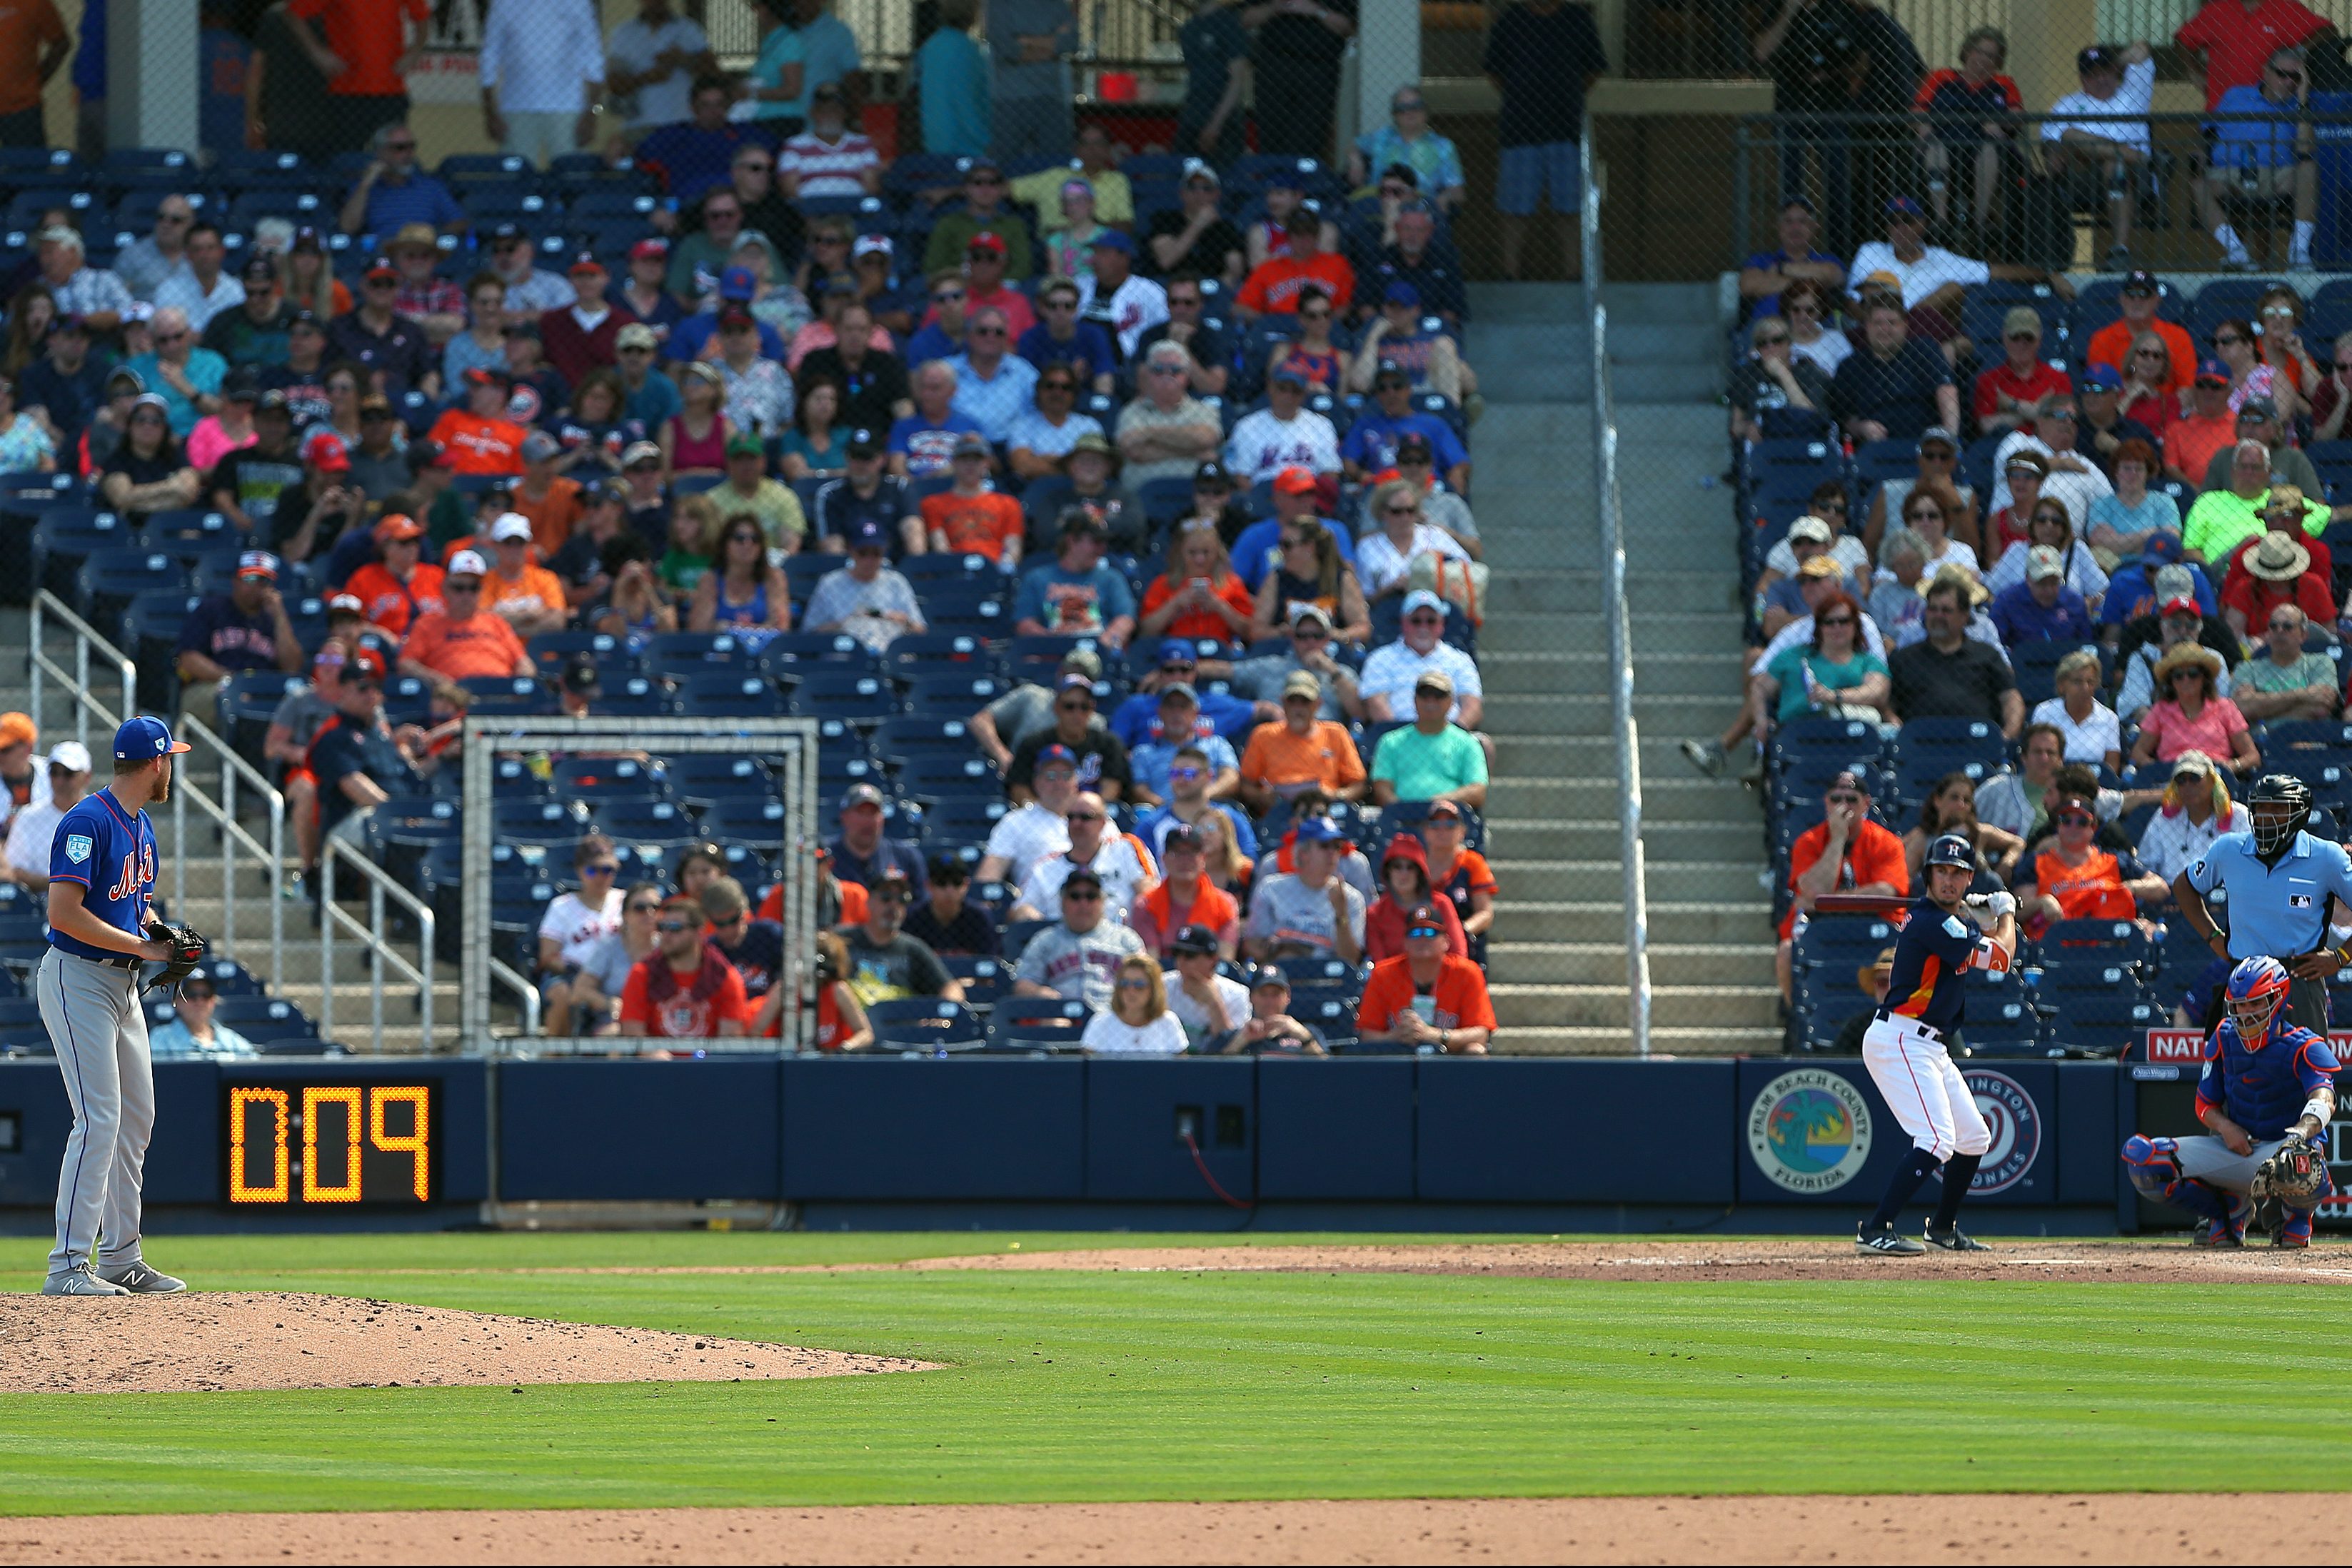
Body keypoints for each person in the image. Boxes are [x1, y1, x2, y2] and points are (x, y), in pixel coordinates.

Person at [34, 715, 203, 1295]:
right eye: (171, 757)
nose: (172, 767)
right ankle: (67, 1265)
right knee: (99, 1119)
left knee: (136, 1119)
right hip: (76, 978)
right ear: (156, 762)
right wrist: (141, 944)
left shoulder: (142, 825)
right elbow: (62, 912)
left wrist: (163, 932)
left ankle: (120, 1257)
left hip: (123, 985)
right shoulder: (87, 820)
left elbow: (137, 907)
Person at [1847, 835, 2014, 1255]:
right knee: (1938, 1140)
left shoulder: (1948, 921)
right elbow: (2000, 958)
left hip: (1930, 1044)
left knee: (1974, 1136)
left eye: (1958, 874)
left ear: (1969, 878)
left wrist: (1978, 916)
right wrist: (2006, 910)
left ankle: (1942, 1228)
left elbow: (1973, 938)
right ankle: (1876, 1228)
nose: (1949, 880)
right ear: (1929, 876)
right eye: (1942, 871)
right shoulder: (1931, 922)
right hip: (1901, 1036)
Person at [1777, 768, 1909, 1004]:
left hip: (1876, 931)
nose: (1844, 806)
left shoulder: (1888, 843)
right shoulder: (1808, 842)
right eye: (1836, 799)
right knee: (1787, 952)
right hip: (1823, 933)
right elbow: (1815, 890)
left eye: (1851, 799)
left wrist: (1827, 901)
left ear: (1866, 803)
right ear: (1826, 802)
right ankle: (1800, 1022)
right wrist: (1838, 838)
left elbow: (1885, 893)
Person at [2199, 45, 2319, 268]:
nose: (2288, 82)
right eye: (2282, 74)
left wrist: (2303, 100)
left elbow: (2306, 148)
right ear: (2266, 71)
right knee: (2198, 179)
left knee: (2308, 169)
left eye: (2295, 77)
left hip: (2276, 178)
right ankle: (2236, 252)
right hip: (2230, 175)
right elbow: (2207, 133)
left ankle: (2299, 252)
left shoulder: (2299, 106)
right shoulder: (2236, 95)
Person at [2043, 42, 2157, 266]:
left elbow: (2142, 49)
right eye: (2093, 75)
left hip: (2131, 177)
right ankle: (2126, 153)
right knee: (2070, 135)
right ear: (2083, 79)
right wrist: (2053, 153)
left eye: (2105, 72)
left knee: (2115, 168)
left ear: (2115, 71)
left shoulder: (2134, 92)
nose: (2101, 79)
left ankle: (2120, 251)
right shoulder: (2068, 104)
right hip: (2082, 179)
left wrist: (2118, 63)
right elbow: (2053, 144)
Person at [176, 550, 303, 728]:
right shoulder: (212, 609)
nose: (256, 586)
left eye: (264, 581)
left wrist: (280, 617)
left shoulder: (275, 621)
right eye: (249, 579)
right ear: (235, 580)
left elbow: (292, 668)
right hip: (215, 686)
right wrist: (233, 681)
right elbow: (189, 659)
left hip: (263, 695)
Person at [1886, 575, 2022, 735]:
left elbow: (2011, 698)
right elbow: (1887, 704)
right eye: (1933, 609)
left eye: (1946, 611)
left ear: (1964, 617)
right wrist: (1896, 728)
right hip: (1920, 746)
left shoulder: (1988, 656)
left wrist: (2006, 736)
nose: (1938, 616)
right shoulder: (1904, 659)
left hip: (1977, 743)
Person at [478, 0, 604, 167]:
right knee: (516, 182)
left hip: (569, 108)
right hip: (516, 108)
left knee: (570, 181)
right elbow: (489, 55)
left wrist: (592, 115)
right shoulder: (503, 3)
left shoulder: (578, 3)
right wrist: (490, 114)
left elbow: (593, 58)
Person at [1355, 905, 1493, 1054]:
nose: (1422, 939)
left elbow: (1480, 1034)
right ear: (1405, 943)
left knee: (1475, 1050)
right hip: (1398, 1056)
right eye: (1415, 933)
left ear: (1446, 942)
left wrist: (1435, 1035)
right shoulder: (1382, 974)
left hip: (1450, 1056)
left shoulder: (1467, 972)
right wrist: (1395, 1035)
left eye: (1430, 932)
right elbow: (1367, 1035)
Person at [616, 891, 748, 1042]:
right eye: (662, 927)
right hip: (656, 1063)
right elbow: (633, 1034)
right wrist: (655, 1055)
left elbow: (729, 1039)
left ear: (699, 933)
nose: (666, 934)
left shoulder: (724, 976)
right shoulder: (642, 973)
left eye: (675, 928)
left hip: (707, 1063)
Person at [1012, 866, 1147, 1012]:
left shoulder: (1126, 940)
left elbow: (1147, 981)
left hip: (1114, 1017)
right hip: (1064, 1018)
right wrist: (1042, 994)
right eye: (1075, 896)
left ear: (1102, 901)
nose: (1083, 904)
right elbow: (1022, 985)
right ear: (1062, 902)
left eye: (1091, 896)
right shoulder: (1045, 941)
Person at [1828, 298, 1959, 445]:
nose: (1885, 329)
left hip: (1924, 446)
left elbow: (1947, 390)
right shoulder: (1850, 366)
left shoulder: (1925, 351)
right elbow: (1845, 419)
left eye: (1892, 322)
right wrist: (1861, 428)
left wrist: (1949, 440)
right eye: (1878, 323)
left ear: (1905, 325)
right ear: (1867, 326)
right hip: (1873, 451)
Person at [1015, 791, 1155, 922]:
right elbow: (1020, 909)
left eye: (1085, 817)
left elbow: (1149, 893)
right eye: (1071, 817)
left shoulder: (1125, 848)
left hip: (1121, 941)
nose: (1077, 824)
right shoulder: (1045, 868)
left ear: (1103, 823)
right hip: (1065, 943)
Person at [398, 551, 534, 681]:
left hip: (500, 694)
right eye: (459, 588)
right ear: (445, 588)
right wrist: (437, 681)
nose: (466, 596)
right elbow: (406, 664)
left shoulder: (496, 622)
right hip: (454, 697)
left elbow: (523, 662)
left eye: (473, 588)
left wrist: (521, 682)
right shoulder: (427, 624)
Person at [1244, 816, 1365, 964]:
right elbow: (1251, 945)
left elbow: (1350, 959)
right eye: (1325, 846)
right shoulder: (1271, 888)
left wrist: (1341, 914)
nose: (1332, 853)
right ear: (1303, 853)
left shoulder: (1350, 898)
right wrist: (1276, 951)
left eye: (1337, 847)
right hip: (1281, 974)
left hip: (1326, 980)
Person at [1357, 591, 1482, 728]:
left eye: (1431, 621)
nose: (1424, 627)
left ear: (1442, 624)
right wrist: (1407, 739)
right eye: (1416, 621)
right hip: (1399, 738)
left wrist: (1452, 737)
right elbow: (1376, 707)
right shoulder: (1380, 658)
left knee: (1485, 743)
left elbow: (1473, 707)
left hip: (1450, 737)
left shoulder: (1460, 660)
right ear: (1403, 622)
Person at [1012, 510, 1138, 645]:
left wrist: (1104, 644)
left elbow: (1125, 620)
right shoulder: (1037, 578)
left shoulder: (1112, 578)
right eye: (1096, 542)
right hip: (1051, 657)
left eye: (1104, 542)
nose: (1102, 549)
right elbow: (1025, 623)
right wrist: (1053, 645)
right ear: (1072, 540)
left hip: (1098, 654)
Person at [538, 835, 624, 1029]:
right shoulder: (562, 906)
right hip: (572, 976)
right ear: (580, 871)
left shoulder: (627, 903)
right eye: (593, 870)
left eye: (608, 870)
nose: (602, 876)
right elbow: (548, 956)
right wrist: (583, 973)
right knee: (560, 993)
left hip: (617, 974)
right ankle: (555, 1056)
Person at [2131, 642, 2258, 775]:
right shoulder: (2160, 710)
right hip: (2173, 777)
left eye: (2193, 673)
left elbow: (2253, 756)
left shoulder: (2226, 707)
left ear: (2204, 677)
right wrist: (2159, 769)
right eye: (2178, 675)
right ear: (2171, 681)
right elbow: (2138, 753)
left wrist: (2232, 766)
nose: (2186, 680)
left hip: (2216, 776)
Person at [801, 518, 925, 652]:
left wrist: (903, 622)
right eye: (863, 553)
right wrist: (844, 625)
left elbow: (921, 631)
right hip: (844, 657)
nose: (869, 560)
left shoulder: (896, 582)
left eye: (876, 553)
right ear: (851, 551)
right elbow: (810, 632)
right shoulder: (830, 583)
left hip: (890, 655)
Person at [1370, 673, 1487, 810]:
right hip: (1402, 821)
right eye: (1424, 696)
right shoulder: (1390, 742)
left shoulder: (1468, 743)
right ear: (1415, 700)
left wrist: (1436, 806)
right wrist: (1404, 810)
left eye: (1439, 696)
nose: (1431, 702)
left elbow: (1478, 790)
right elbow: (1381, 788)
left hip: (1448, 821)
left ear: (1451, 701)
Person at [336, 122, 463, 244]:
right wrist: (366, 184)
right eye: (400, 148)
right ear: (381, 152)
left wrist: (433, 236)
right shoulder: (364, 190)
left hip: (424, 253)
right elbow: (347, 228)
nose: (408, 154)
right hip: (382, 254)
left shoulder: (431, 187)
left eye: (411, 147)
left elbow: (459, 222)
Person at [2138, 751, 2249, 888]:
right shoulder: (2163, 819)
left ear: (2212, 780)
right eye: (2181, 780)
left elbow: (2253, 864)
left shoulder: (2239, 816)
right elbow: (2145, 866)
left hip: (2226, 894)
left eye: (2195, 778)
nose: (2188, 786)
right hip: (2174, 898)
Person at [603, 0, 715, 136]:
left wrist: (684, 60)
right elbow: (613, 84)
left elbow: (713, 72)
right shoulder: (623, 33)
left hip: (682, 122)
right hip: (638, 125)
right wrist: (645, 78)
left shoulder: (688, 29)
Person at [815, 429, 923, 557]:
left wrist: (914, 568)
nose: (861, 465)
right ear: (847, 458)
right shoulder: (830, 493)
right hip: (851, 570)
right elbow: (833, 546)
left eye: (867, 459)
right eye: (855, 458)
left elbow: (913, 532)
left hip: (896, 568)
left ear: (882, 459)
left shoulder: (899, 487)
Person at [0, 742, 89, 894]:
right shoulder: (28, 817)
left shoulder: (101, 816)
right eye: (54, 772)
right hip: (39, 906)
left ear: (87, 777)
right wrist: (64, 885)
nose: (60, 780)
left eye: (68, 774)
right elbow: (15, 872)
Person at [2234, 603, 2339, 724]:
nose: (2279, 631)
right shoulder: (2247, 668)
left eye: (2288, 626)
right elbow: (2243, 708)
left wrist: (2262, 708)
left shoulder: (2320, 662)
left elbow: (2320, 708)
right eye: (2273, 626)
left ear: (2303, 635)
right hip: (2261, 742)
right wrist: (2303, 695)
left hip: (2308, 739)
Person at [1074, 232, 1167, 361]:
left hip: (1126, 363)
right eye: (1095, 252)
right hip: (1079, 356)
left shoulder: (1149, 291)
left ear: (1124, 258)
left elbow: (1165, 326)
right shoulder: (1079, 285)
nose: (1095, 259)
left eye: (1103, 253)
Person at [780, 84, 880, 200]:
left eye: (834, 110)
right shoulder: (794, 145)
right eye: (823, 110)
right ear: (813, 113)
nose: (829, 115)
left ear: (845, 113)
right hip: (810, 212)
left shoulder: (862, 144)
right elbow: (790, 190)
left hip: (852, 211)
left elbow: (871, 187)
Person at [2029, 650, 2122, 773]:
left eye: (2091, 682)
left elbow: (2111, 769)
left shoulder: (2110, 719)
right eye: (2077, 682)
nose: (2085, 688)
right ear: (2062, 685)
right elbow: (2036, 759)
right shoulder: (2044, 712)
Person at [1162, 921, 1247, 1050]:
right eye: (1177, 953)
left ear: (1212, 960)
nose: (1181, 961)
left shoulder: (1237, 994)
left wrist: (1214, 1004)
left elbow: (1232, 1051)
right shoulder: (1162, 986)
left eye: (1190, 955)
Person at [1988, 545, 2096, 645]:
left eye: (2054, 583)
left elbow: (2086, 647)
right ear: (2028, 579)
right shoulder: (2007, 602)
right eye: (2042, 583)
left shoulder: (2075, 603)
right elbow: (1995, 647)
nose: (2049, 591)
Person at [902, 855, 997, 957]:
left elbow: (989, 961)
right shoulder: (912, 918)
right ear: (929, 885)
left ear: (966, 885)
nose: (949, 890)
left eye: (957, 882)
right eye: (941, 883)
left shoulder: (979, 917)